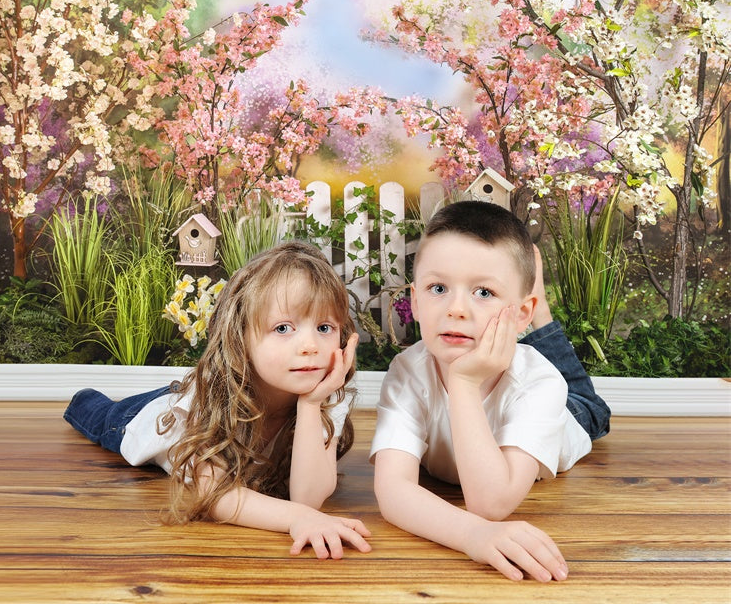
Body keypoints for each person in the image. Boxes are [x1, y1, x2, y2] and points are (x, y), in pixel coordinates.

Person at [64, 241, 371, 560]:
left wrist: (309, 405)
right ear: (240, 336)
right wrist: (297, 519)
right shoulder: (215, 394)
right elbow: (216, 496)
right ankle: (83, 396)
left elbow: (307, 500)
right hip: (145, 419)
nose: (310, 345)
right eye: (283, 328)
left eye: (324, 327)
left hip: (186, 397)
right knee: (99, 414)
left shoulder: (326, 392)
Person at [370, 200, 611, 582]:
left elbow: (490, 503)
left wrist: (463, 384)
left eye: (483, 292)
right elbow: (392, 491)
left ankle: (541, 313)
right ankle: (529, 307)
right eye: (438, 288)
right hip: (515, 354)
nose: (456, 309)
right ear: (415, 301)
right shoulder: (407, 372)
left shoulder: (539, 383)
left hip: (569, 420)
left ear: (518, 312)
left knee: (589, 405)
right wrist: (473, 536)